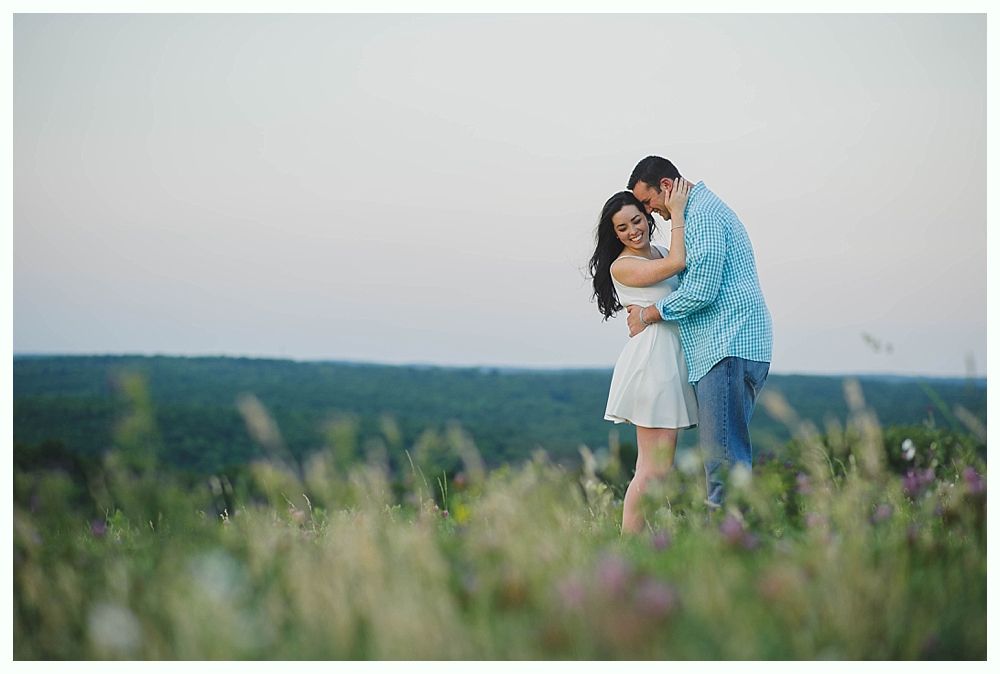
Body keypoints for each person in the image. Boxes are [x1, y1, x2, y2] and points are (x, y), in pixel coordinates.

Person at [626, 156, 772, 509]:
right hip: (733, 345)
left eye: (647, 203)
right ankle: (739, 542)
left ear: (665, 186)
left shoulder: (701, 216)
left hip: (727, 345)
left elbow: (703, 289)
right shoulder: (697, 213)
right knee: (729, 457)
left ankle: (728, 550)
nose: (648, 213)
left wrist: (649, 313)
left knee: (721, 462)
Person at [588, 183, 698, 535]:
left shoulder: (661, 250)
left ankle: (645, 540)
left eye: (637, 220)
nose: (633, 231)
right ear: (614, 234)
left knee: (656, 468)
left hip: (670, 361)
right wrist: (678, 211)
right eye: (623, 227)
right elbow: (679, 263)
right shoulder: (624, 266)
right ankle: (630, 543)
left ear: (647, 217)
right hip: (653, 364)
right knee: (653, 469)